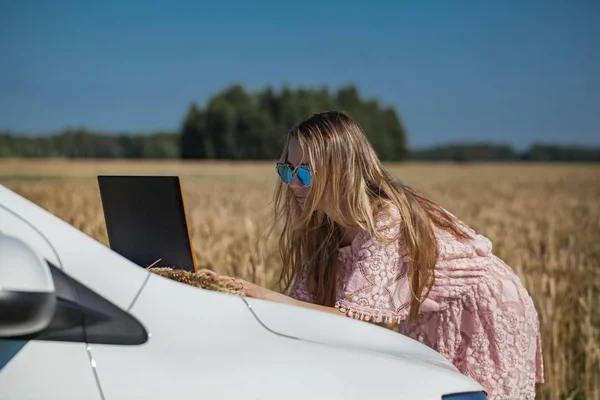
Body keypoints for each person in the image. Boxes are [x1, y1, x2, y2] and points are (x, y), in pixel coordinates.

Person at [202, 111, 544, 399]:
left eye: (304, 171)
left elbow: (351, 320)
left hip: (482, 309)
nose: (293, 183)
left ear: (340, 171)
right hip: (428, 313)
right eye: (286, 170)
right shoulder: (326, 228)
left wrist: (258, 293)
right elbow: (302, 311)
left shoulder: (384, 219)